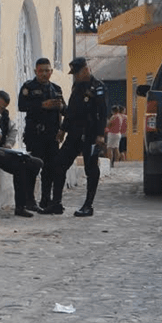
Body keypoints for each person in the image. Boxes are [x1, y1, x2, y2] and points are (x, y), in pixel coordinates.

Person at [48, 57, 108, 216]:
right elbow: (72, 112)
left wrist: (101, 135)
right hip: (74, 133)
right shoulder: (77, 86)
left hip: (91, 135)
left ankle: (88, 205)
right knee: (59, 164)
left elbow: (102, 113)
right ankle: (57, 203)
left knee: (91, 168)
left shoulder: (98, 87)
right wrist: (63, 129)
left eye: (77, 73)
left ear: (86, 70)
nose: (75, 76)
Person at [17, 57, 64, 213]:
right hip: (35, 134)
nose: (44, 74)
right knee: (34, 166)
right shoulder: (28, 87)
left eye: (47, 70)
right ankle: (30, 200)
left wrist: (61, 107)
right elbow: (21, 106)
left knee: (50, 169)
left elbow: (64, 110)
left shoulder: (56, 89)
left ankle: (46, 199)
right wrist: (42, 105)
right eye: (41, 71)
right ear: (35, 71)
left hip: (52, 135)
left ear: (51, 71)